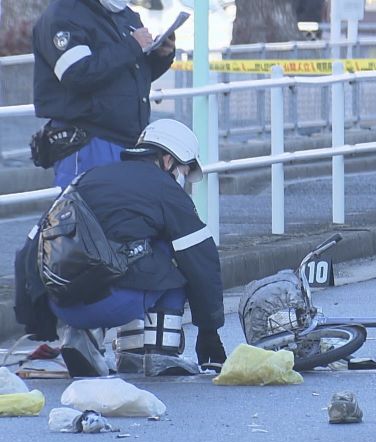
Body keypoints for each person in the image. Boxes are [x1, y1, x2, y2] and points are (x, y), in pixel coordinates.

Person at [15, 119, 227, 378]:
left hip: (62, 305)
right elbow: (202, 261)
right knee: (173, 254)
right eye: (184, 169)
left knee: (119, 248)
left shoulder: (86, 178)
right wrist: (209, 332)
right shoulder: (166, 190)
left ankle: (84, 337)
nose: (183, 178)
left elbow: (30, 247)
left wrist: (38, 320)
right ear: (168, 161)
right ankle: (160, 353)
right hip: (115, 302)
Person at [31, 0, 176, 189]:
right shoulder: (63, 14)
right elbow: (77, 73)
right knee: (86, 212)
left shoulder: (124, 13)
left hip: (131, 141)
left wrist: (161, 56)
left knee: (128, 214)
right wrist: (132, 46)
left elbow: (132, 76)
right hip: (88, 141)